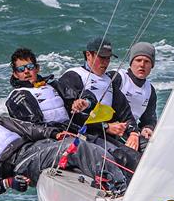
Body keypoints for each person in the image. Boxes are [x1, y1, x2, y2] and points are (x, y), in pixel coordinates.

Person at [0, 94, 125, 198]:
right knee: (76, 147)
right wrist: (8, 183)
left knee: (86, 145)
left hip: (37, 147)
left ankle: (113, 186)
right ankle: (119, 190)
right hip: (19, 163)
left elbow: (30, 129)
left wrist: (54, 133)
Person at [57, 37, 141, 172]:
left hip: (107, 136)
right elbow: (71, 117)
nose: (105, 62)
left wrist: (134, 134)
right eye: (102, 57)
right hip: (84, 136)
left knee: (146, 151)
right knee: (128, 159)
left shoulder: (110, 81)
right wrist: (106, 127)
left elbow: (125, 113)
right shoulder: (73, 76)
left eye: (108, 58)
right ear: (88, 55)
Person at [5, 47, 95, 131]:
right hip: (46, 140)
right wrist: (57, 133)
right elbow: (33, 128)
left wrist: (85, 102)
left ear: (37, 68)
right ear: (15, 74)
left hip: (72, 130)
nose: (26, 71)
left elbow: (84, 94)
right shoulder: (18, 96)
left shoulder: (54, 85)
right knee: (87, 147)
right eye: (21, 69)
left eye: (30, 67)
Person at [109, 42, 157, 152]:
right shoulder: (117, 77)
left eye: (147, 61)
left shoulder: (150, 90)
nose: (142, 65)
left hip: (132, 132)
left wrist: (147, 128)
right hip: (111, 129)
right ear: (131, 62)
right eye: (138, 60)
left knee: (152, 149)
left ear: (152, 66)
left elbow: (149, 119)